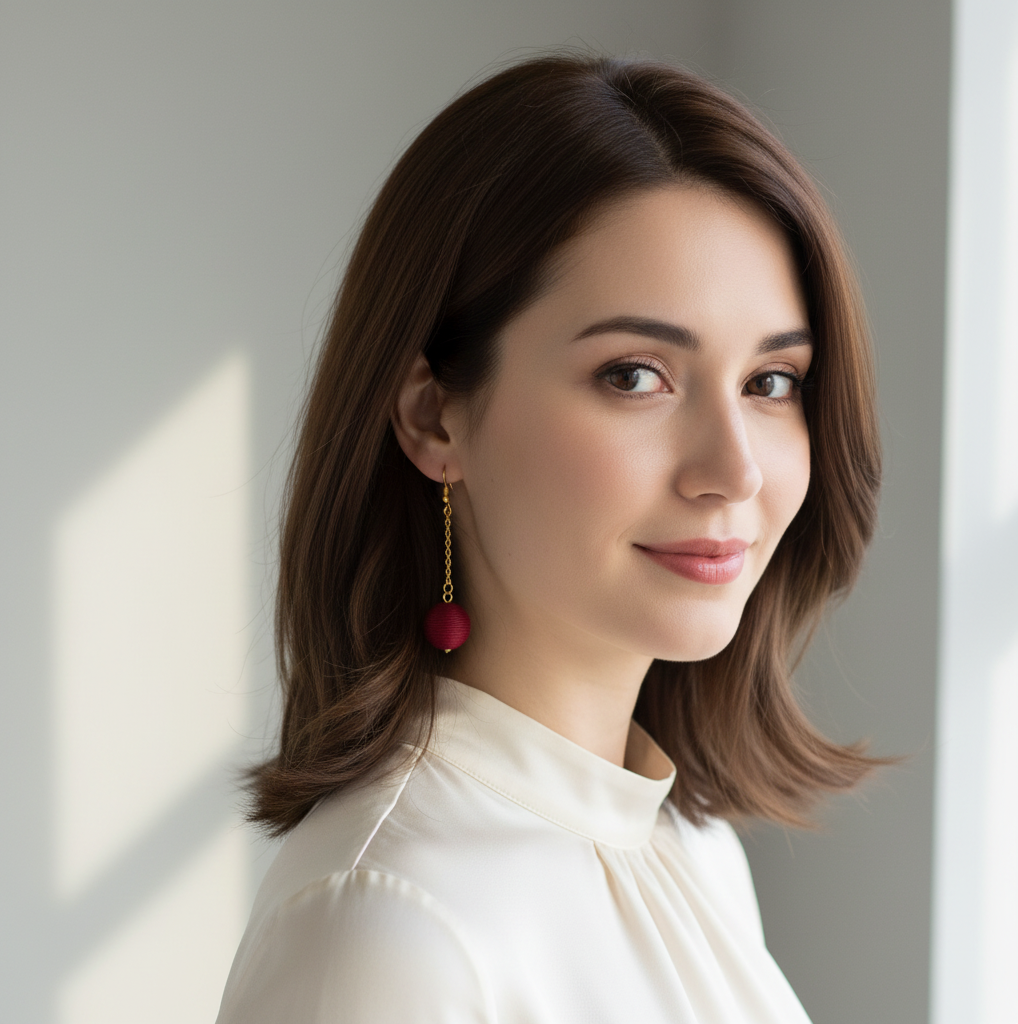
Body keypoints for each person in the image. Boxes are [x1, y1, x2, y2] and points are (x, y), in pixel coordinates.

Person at [215, 52, 884, 1023]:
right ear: (433, 416)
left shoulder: (694, 853)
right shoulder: (385, 924)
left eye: (769, 382)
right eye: (634, 375)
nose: (735, 469)